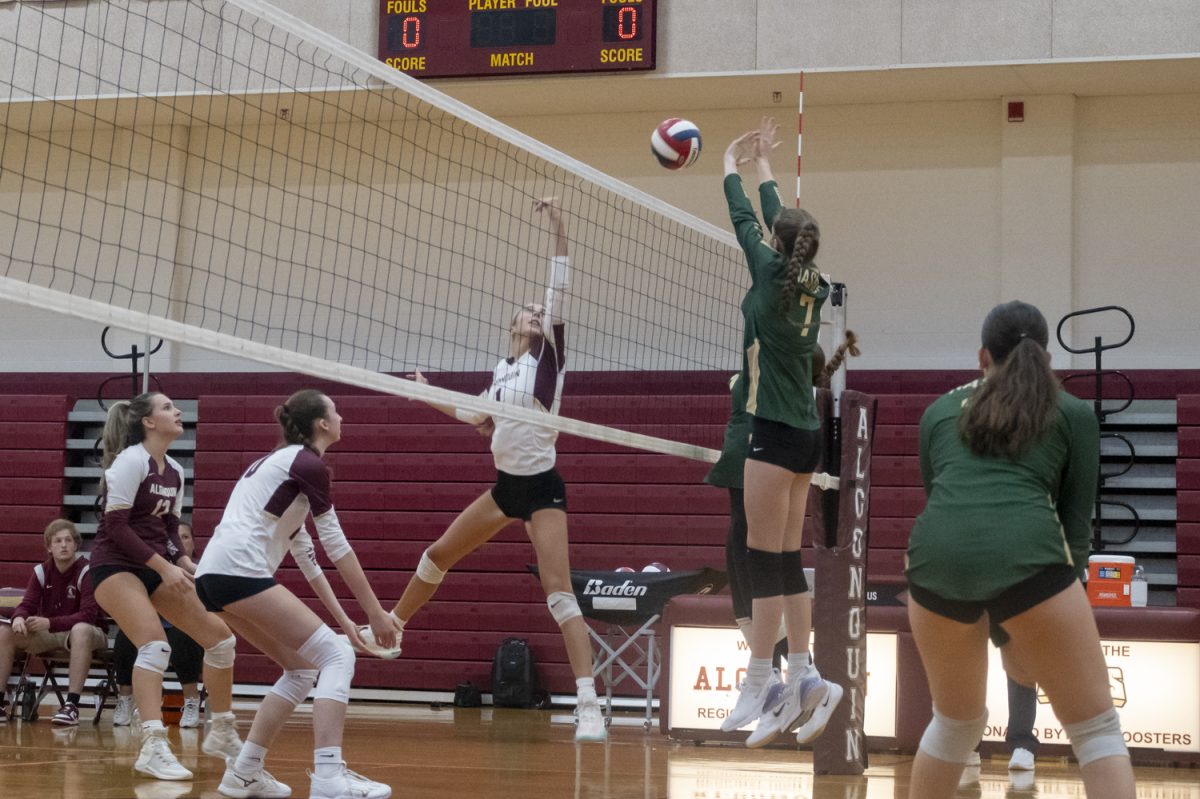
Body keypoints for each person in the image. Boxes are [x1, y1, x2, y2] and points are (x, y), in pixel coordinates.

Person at [391, 197, 607, 743]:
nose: (535, 313)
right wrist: (424, 393)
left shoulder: (547, 360)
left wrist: (559, 226)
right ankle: (391, 627)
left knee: (559, 594)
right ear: (511, 324)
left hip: (542, 490)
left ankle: (588, 706)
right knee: (437, 555)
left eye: (540, 311)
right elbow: (471, 412)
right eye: (527, 310)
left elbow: (560, 284)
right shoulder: (503, 372)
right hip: (507, 488)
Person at [905, 300, 1135, 798]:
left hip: (933, 559)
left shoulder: (938, 411)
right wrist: (1038, 627)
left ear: (983, 356)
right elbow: (1075, 529)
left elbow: (950, 511)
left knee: (952, 723)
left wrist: (1009, 631)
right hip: (1030, 557)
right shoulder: (1072, 412)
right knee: (1096, 732)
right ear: (1046, 356)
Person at [196, 389, 398, 799]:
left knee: (303, 668)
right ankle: (328, 778)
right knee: (336, 656)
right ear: (322, 424)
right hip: (239, 571)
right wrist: (376, 613)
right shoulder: (308, 464)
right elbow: (337, 546)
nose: (341, 417)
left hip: (212, 576)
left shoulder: (283, 467)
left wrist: (347, 623)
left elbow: (308, 559)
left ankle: (244, 772)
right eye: (335, 412)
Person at [719, 118, 844, 749]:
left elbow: (745, 219)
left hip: (769, 432)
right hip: (807, 438)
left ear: (778, 242)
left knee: (764, 558)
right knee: (785, 557)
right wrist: (765, 163)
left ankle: (760, 678)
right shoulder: (812, 281)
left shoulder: (769, 272)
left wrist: (728, 161)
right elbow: (774, 220)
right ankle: (805, 675)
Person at [89, 392, 243, 781]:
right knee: (155, 645)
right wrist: (163, 565)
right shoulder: (130, 461)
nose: (177, 412)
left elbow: (169, 530)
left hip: (157, 566)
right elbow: (116, 527)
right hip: (114, 567)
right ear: (148, 422)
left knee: (221, 640)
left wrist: (185, 562)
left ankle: (223, 729)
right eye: (167, 407)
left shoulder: (173, 468)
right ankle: (153, 744)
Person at [0, 519, 106, 726]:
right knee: (3, 631)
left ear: (76, 545)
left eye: (68, 540)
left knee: (81, 629)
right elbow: (27, 604)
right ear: (49, 547)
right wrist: (19, 617)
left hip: (88, 633)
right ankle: (0, 702)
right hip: (52, 633)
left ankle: (71, 705)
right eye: (57, 541)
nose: (63, 545)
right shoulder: (41, 571)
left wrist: (49, 622)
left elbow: (88, 615)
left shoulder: (87, 571)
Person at [111, 522, 206, 729]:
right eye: (176, 538)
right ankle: (125, 699)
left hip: (187, 630)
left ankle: (191, 699)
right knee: (125, 635)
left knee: (182, 637)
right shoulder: (152, 570)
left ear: (194, 543)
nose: (180, 542)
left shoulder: (201, 570)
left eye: (185, 537)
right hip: (152, 628)